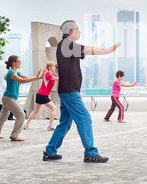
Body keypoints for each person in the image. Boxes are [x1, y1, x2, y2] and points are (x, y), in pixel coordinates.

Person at [43, 20, 121, 163]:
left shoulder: (66, 46)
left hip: (67, 90)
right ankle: (90, 152)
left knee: (65, 123)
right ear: (70, 32)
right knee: (84, 118)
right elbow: (88, 49)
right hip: (70, 91)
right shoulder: (67, 44)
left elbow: (84, 50)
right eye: (78, 30)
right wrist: (107, 50)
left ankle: (50, 151)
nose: (80, 32)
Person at [0, 55, 42, 141]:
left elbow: (27, 78)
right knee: (21, 115)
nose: (20, 63)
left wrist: (38, 78)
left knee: (2, 117)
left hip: (9, 98)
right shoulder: (10, 73)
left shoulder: (16, 73)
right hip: (8, 98)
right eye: (19, 61)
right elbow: (22, 80)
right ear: (13, 63)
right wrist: (36, 78)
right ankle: (14, 136)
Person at [25, 62, 58, 131]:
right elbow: (58, 79)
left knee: (35, 111)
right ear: (49, 67)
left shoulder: (52, 75)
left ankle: (26, 125)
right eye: (53, 66)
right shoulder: (48, 75)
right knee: (54, 108)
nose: (55, 68)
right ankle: (50, 126)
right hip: (42, 95)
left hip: (40, 94)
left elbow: (58, 77)